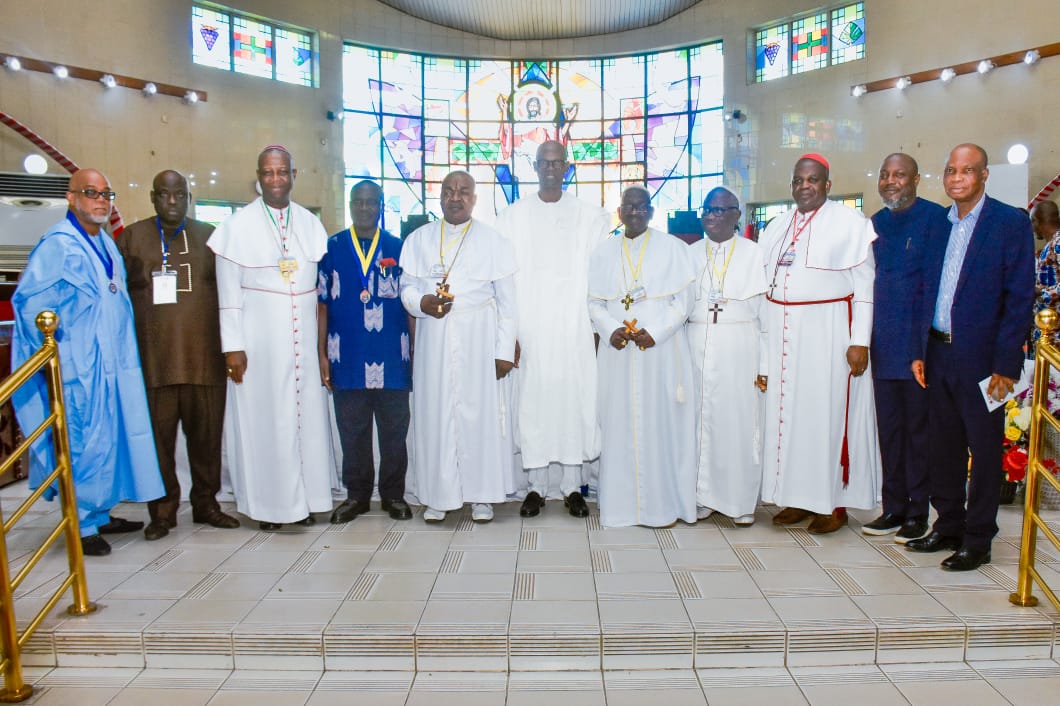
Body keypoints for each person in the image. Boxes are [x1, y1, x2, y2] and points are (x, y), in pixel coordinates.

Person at [11, 168, 164, 556]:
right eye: (91, 193)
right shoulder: (58, 245)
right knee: (83, 442)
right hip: (82, 369)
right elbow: (29, 306)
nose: (101, 200)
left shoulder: (105, 243)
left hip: (114, 364)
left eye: (106, 194)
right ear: (72, 198)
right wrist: (63, 349)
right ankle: (81, 523)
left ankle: (99, 511)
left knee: (110, 440)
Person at [907, 144, 1034, 571]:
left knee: (982, 448)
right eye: (950, 171)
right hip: (937, 351)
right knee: (942, 444)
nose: (957, 178)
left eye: (967, 171)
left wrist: (1006, 366)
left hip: (984, 360)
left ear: (983, 176)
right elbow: (926, 289)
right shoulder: (938, 226)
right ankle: (948, 525)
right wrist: (919, 350)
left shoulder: (1008, 222)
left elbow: (1019, 298)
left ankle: (978, 538)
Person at [207, 146, 335, 531]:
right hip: (259, 345)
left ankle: (309, 498)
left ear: (294, 175)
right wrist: (233, 348)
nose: (276, 180)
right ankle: (269, 508)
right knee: (267, 424)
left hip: (302, 346)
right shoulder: (235, 228)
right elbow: (228, 298)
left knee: (307, 422)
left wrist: (320, 349)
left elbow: (319, 294)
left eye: (282, 172)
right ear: (258, 177)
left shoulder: (310, 224)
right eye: (268, 173)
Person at [759, 153, 881, 534]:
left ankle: (832, 503)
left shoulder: (850, 223)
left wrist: (859, 341)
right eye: (798, 180)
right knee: (790, 417)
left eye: (812, 180)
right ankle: (797, 498)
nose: (804, 186)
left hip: (828, 334)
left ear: (827, 185)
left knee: (826, 416)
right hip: (783, 333)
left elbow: (864, 286)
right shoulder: (777, 226)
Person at [118, 170, 240, 540]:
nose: (172, 202)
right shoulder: (132, 238)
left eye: (180, 195)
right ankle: (163, 512)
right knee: (159, 442)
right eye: (165, 195)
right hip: (154, 364)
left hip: (205, 362)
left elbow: (234, 296)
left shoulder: (211, 238)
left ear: (189, 198)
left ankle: (206, 504)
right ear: (153, 197)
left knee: (206, 441)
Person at [495, 140, 611, 519]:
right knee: (535, 405)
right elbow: (506, 283)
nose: (550, 168)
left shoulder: (591, 217)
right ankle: (535, 488)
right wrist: (509, 333)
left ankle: (573, 487)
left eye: (557, 162)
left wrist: (595, 328)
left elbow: (599, 277)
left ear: (567, 168)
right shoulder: (512, 217)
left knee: (574, 404)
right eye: (544, 162)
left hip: (575, 327)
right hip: (531, 329)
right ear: (534, 167)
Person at [399, 170, 517, 523]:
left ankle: (482, 495)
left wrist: (503, 350)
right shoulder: (419, 239)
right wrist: (421, 303)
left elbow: (509, 304)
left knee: (477, 416)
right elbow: (405, 287)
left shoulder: (493, 241)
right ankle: (438, 495)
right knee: (435, 416)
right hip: (434, 338)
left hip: (478, 337)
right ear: (439, 197)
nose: (455, 197)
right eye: (449, 191)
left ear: (474, 199)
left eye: (463, 191)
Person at [588, 186, 697, 528]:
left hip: (661, 352)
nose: (634, 211)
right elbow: (593, 302)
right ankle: (621, 508)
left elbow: (683, 301)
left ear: (651, 211)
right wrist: (610, 328)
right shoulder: (602, 253)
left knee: (661, 425)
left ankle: (662, 507)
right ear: (619, 212)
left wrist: (657, 330)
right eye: (628, 206)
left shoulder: (674, 249)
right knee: (618, 425)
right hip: (618, 354)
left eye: (641, 206)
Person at [862, 154, 947, 543]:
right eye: (885, 175)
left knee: (918, 434)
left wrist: (921, 349)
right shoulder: (874, 225)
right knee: (889, 432)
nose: (890, 181)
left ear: (916, 179)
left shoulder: (935, 220)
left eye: (899, 175)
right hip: (880, 347)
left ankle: (917, 511)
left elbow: (934, 289)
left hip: (917, 351)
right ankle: (892, 507)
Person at [318, 181, 413, 523]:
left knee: (394, 432)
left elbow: (411, 302)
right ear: (350, 204)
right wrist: (322, 355)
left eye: (371, 202)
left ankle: (393, 495)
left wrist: (414, 352)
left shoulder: (399, 248)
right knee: (352, 431)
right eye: (358, 202)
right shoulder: (332, 247)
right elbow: (322, 305)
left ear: (380, 206)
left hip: (392, 356)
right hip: (348, 355)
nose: (364, 208)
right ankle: (356, 496)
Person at [687, 187, 768, 527]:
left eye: (721, 210)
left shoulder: (754, 254)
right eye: (708, 209)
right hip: (696, 342)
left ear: (737, 215)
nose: (713, 216)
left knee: (737, 422)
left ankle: (738, 501)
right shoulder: (689, 253)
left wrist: (765, 365)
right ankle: (701, 496)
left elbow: (765, 317)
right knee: (699, 422)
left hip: (739, 344)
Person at [1032, 200, 1060, 315]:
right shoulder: (1048, 247)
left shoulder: (1058, 243)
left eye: (1032, 221)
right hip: (1045, 325)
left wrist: (1041, 293)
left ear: (1038, 221)